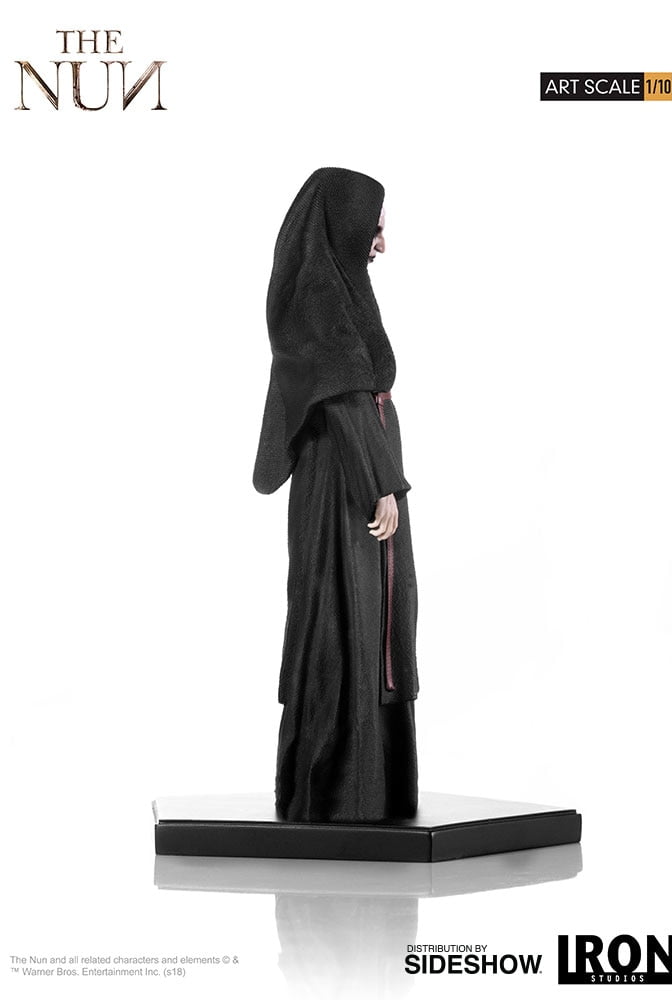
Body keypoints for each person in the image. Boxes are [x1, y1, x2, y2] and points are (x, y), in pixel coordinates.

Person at [253, 167, 419, 823]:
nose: (381, 243)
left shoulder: (341, 289)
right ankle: (339, 797)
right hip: (342, 481)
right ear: (347, 224)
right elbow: (345, 395)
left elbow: (356, 388)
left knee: (370, 615)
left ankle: (370, 793)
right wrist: (381, 486)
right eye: (374, 227)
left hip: (357, 469)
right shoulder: (319, 296)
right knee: (340, 615)